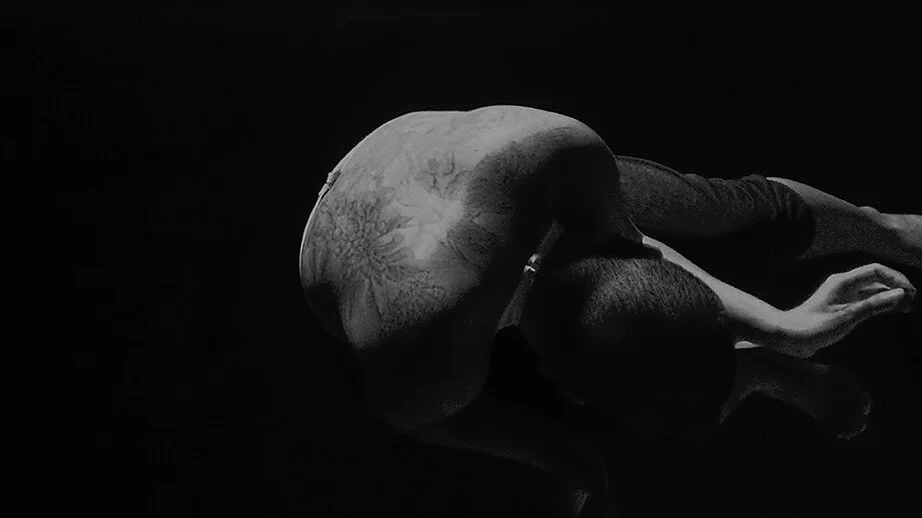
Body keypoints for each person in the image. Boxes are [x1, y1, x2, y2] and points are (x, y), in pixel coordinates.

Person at [299, 105, 919, 517]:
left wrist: (783, 325)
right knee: (601, 440)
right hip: (389, 226)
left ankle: (882, 229)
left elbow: (635, 241)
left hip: (496, 168)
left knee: (718, 212)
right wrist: (569, 460)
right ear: (555, 375)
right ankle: (754, 371)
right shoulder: (426, 358)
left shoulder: (566, 153)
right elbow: (418, 420)